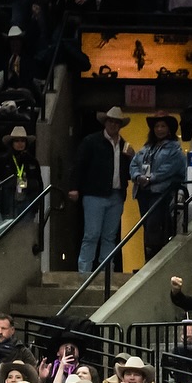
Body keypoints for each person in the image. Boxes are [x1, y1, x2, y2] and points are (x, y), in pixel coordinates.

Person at [69, 106, 134, 273]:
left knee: (109, 237)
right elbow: (79, 165)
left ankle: (106, 273)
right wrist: (74, 188)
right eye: (111, 121)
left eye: (116, 122)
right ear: (105, 122)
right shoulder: (91, 141)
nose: (113, 125)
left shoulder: (125, 146)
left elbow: (128, 171)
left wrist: (132, 158)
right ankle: (85, 273)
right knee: (92, 235)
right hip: (94, 195)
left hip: (116, 195)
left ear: (120, 125)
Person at [129, 112, 187, 259]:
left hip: (161, 194)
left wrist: (150, 178)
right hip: (144, 193)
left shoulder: (175, 149)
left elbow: (170, 168)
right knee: (147, 227)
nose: (159, 129)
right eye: (157, 126)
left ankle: (155, 260)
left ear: (169, 129)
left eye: (163, 126)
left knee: (155, 228)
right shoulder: (146, 148)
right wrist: (137, 177)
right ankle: (148, 261)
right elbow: (134, 163)